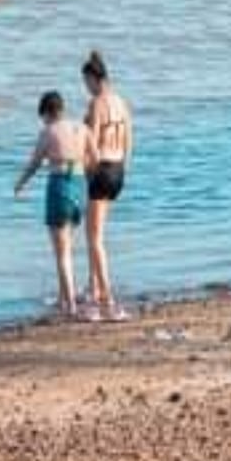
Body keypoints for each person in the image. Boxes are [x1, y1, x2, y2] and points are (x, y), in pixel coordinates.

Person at [12, 90, 92, 319]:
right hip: (79, 186)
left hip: (59, 187)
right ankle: (63, 296)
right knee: (69, 246)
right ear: (63, 109)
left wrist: (20, 183)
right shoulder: (82, 128)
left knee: (62, 253)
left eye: (43, 117)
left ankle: (70, 306)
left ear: (47, 113)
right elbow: (94, 159)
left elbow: (35, 164)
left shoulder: (48, 132)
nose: (44, 121)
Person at [81, 51, 132, 323]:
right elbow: (129, 139)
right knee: (98, 234)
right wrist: (124, 168)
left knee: (93, 239)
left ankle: (108, 299)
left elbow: (93, 142)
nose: (85, 87)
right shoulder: (121, 102)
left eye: (86, 82)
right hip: (119, 169)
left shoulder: (97, 104)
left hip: (101, 170)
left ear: (93, 78)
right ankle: (94, 288)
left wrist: (87, 171)